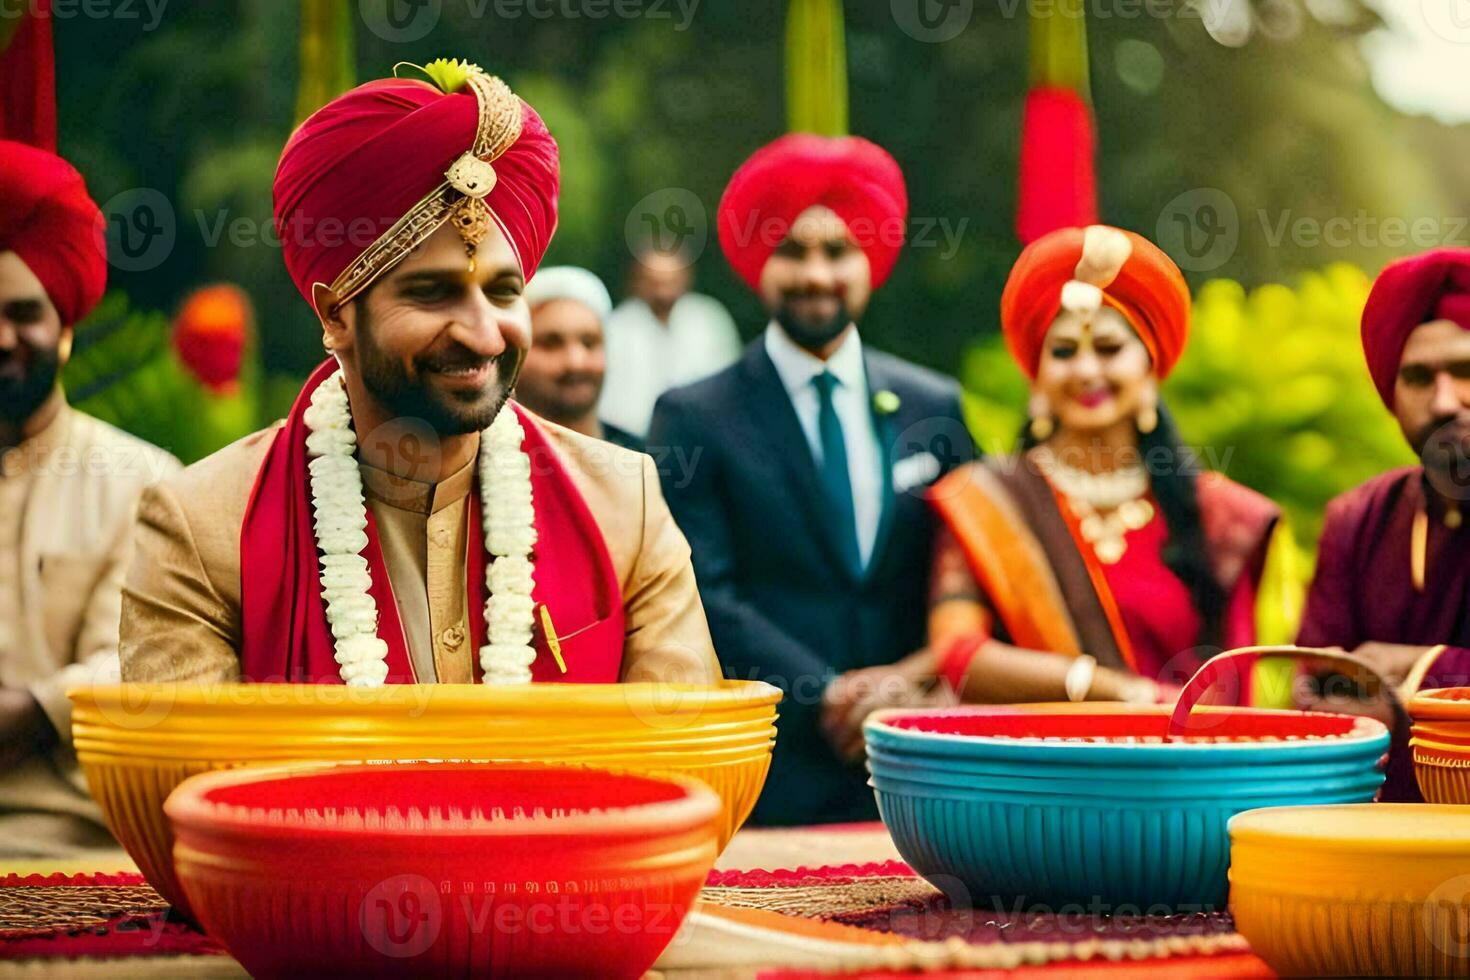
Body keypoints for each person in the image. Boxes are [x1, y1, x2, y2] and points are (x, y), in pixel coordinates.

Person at [119, 61, 717, 688]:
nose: (484, 333)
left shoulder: (624, 502)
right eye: (432, 294)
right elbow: (182, 778)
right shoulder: (204, 528)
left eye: (504, 292)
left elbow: (687, 762)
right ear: (336, 316)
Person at [649, 133, 976, 824]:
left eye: (839, 251)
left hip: (923, 761)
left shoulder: (932, 405)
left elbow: (975, 564)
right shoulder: (694, 417)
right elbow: (698, 588)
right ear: (758, 263)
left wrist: (914, 680)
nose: (816, 274)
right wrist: (825, 693)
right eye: (792, 251)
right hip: (773, 775)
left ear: (871, 261)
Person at [895, 225, 1294, 711]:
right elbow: (961, 655)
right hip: (1042, 774)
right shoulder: (987, 503)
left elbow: (1237, 684)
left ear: (1149, 370)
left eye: (1108, 348)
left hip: (1184, 771)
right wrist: (1118, 692)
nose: (1086, 370)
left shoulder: (1218, 514)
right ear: (1037, 378)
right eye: (1063, 351)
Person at [0, 141, 180, 858]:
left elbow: (149, 656)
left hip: (78, 849)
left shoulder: (140, 478)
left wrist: (34, 711)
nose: (2, 338)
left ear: (67, 328)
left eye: (24, 313)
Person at [1296, 247, 1470, 800]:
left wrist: (1418, 666)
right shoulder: (1358, 519)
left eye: (1466, 371)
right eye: (1419, 378)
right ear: (1391, 397)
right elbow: (1314, 691)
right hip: (1377, 840)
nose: (1445, 402)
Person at [598, 245, 741, 438]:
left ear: (686, 278)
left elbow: (729, 386)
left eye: (670, 282)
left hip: (704, 437)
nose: (663, 292)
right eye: (654, 282)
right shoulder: (616, 328)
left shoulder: (710, 320)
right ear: (638, 281)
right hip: (632, 442)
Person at [517, 265, 642, 451]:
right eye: (551, 344)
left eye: (589, 343)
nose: (575, 363)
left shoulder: (641, 458)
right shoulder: (483, 460)